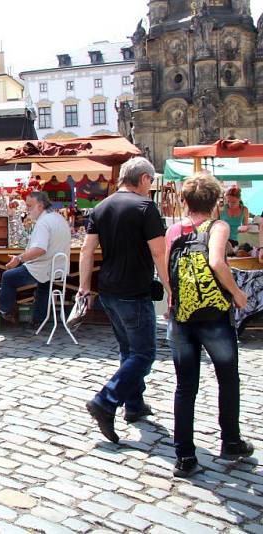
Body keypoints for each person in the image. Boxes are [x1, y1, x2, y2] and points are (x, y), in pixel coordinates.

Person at [165, 173, 254, 477]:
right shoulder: (218, 227)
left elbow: (167, 272)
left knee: (184, 387)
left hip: (182, 316)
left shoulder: (174, 230)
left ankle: (185, 457)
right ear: (216, 203)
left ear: (184, 201)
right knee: (227, 378)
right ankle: (230, 440)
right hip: (214, 316)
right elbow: (217, 262)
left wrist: (172, 303)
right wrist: (238, 293)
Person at [79, 156, 170, 443]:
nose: (151, 187)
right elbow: (159, 253)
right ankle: (106, 400)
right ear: (143, 178)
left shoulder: (100, 207)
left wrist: (83, 287)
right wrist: (170, 288)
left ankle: (134, 404)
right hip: (134, 290)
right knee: (143, 354)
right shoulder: (145, 207)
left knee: (128, 351)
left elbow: (86, 250)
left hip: (109, 289)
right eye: (151, 181)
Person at [0, 191, 71, 326]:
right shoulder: (58, 218)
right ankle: (39, 320)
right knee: (44, 286)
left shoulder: (43, 222)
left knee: (8, 277)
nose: (27, 210)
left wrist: (19, 258)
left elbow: (40, 249)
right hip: (57, 267)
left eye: (30, 206)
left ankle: (4, 311)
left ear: (40, 206)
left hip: (44, 267)